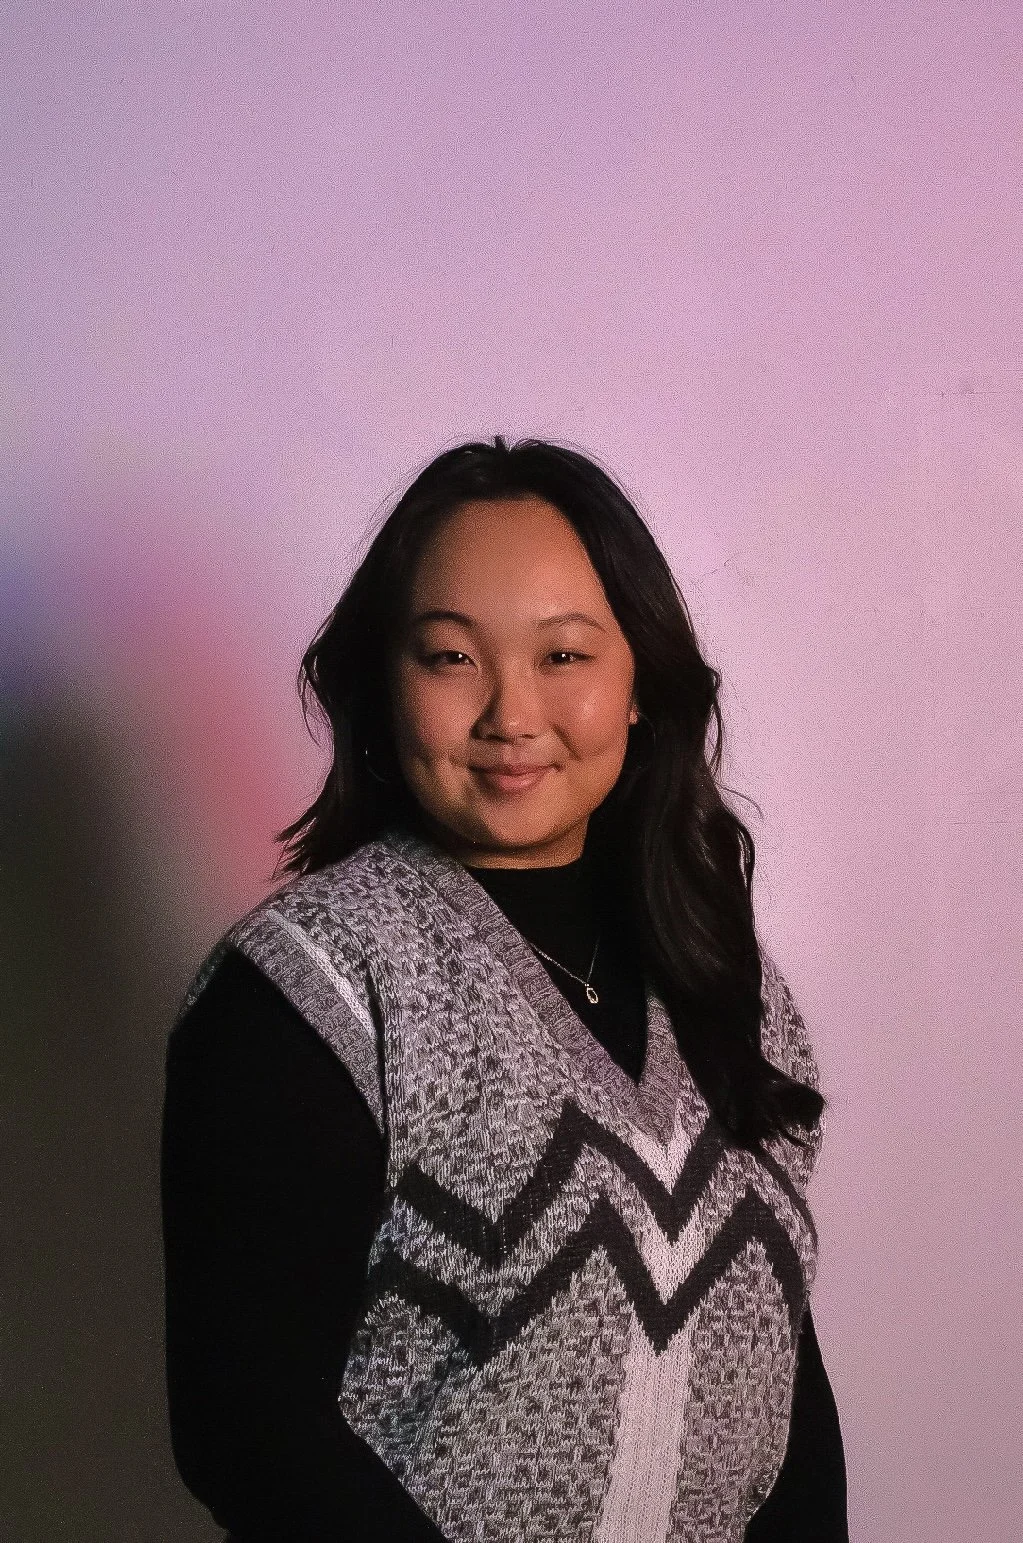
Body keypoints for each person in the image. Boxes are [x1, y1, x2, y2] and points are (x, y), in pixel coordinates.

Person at [161, 437, 848, 1542]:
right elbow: (249, 1428)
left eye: (565, 657)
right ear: (382, 684)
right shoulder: (308, 991)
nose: (510, 715)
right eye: (450, 658)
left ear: (641, 685)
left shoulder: (730, 981)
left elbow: (780, 1368)